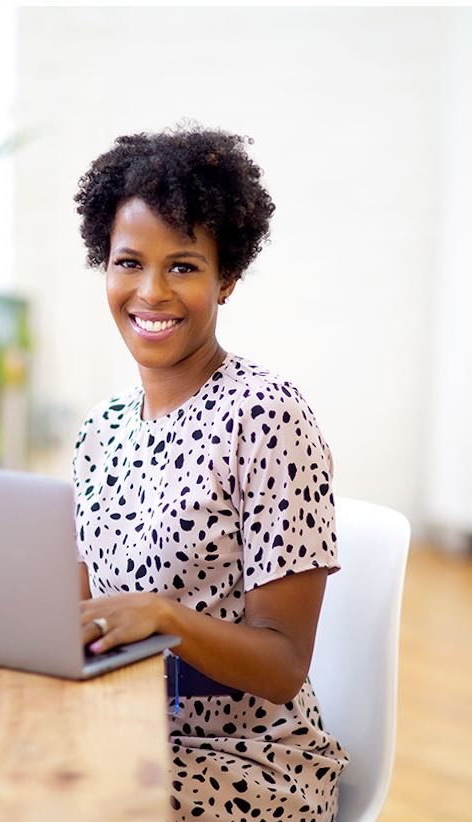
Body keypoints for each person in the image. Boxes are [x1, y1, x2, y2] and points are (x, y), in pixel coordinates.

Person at [72, 127, 349, 822]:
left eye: (184, 267)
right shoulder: (97, 432)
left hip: (247, 762)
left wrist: (163, 617)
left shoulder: (268, 417)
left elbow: (283, 665)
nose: (151, 292)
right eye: (128, 262)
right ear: (103, 269)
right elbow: (75, 623)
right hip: (115, 732)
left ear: (226, 278)